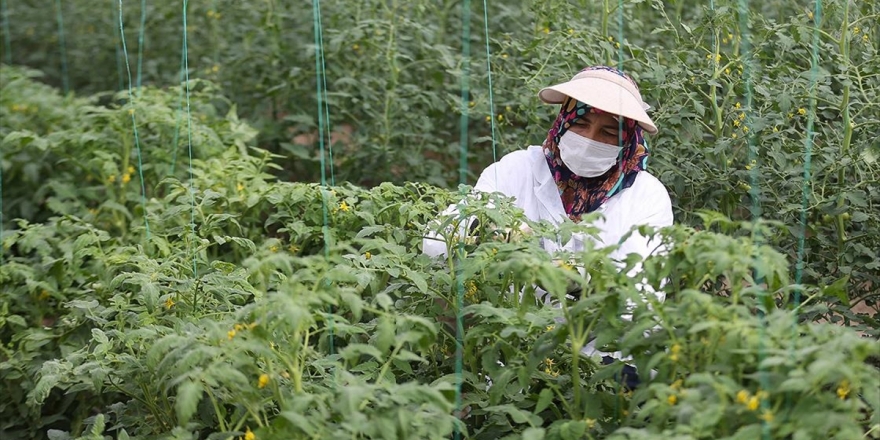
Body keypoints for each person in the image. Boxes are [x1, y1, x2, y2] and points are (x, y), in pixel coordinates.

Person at [422, 66, 674, 387]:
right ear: (563, 121)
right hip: (512, 346)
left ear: (628, 139)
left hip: (603, 356)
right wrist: (489, 231)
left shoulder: (645, 195)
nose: (589, 140)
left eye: (609, 133)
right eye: (580, 124)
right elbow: (436, 241)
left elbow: (641, 304)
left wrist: (581, 282)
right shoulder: (517, 170)